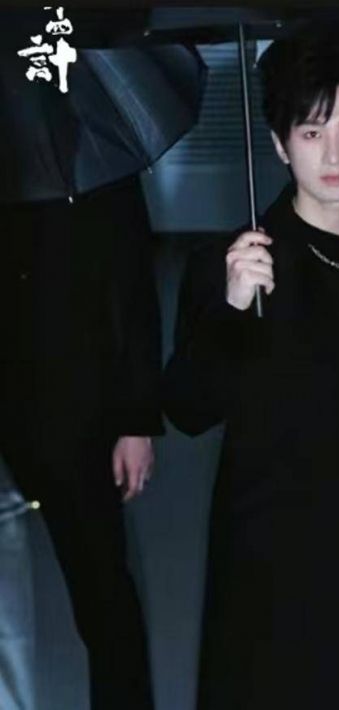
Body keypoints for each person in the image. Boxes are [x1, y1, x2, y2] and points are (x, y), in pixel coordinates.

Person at [163, 24, 339, 710]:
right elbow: (188, 409)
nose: (332, 154)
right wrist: (233, 306)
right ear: (278, 142)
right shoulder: (235, 264)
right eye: (311, 130)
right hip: (276, 565)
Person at [0, 176, 163, 709]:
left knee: (102, 594)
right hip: (39, 392)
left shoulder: (90, 149)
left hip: (71, 402)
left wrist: (136, 419)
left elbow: (131, 283)